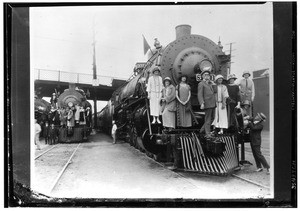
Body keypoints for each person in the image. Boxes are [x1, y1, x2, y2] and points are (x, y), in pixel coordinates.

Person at [197, 70, 216, 137]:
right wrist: (202, 103)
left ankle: (202, 130)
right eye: (205, 75)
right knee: (208, 119)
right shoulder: (201, 84)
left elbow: (215, 91)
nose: (207, 76)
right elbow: (200, 94)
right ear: (202, 76)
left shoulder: (210, 83)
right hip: (207, 103)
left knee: (212, 118)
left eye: (208, 75)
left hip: (213, 103)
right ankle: (207, 133)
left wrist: (213, 83)